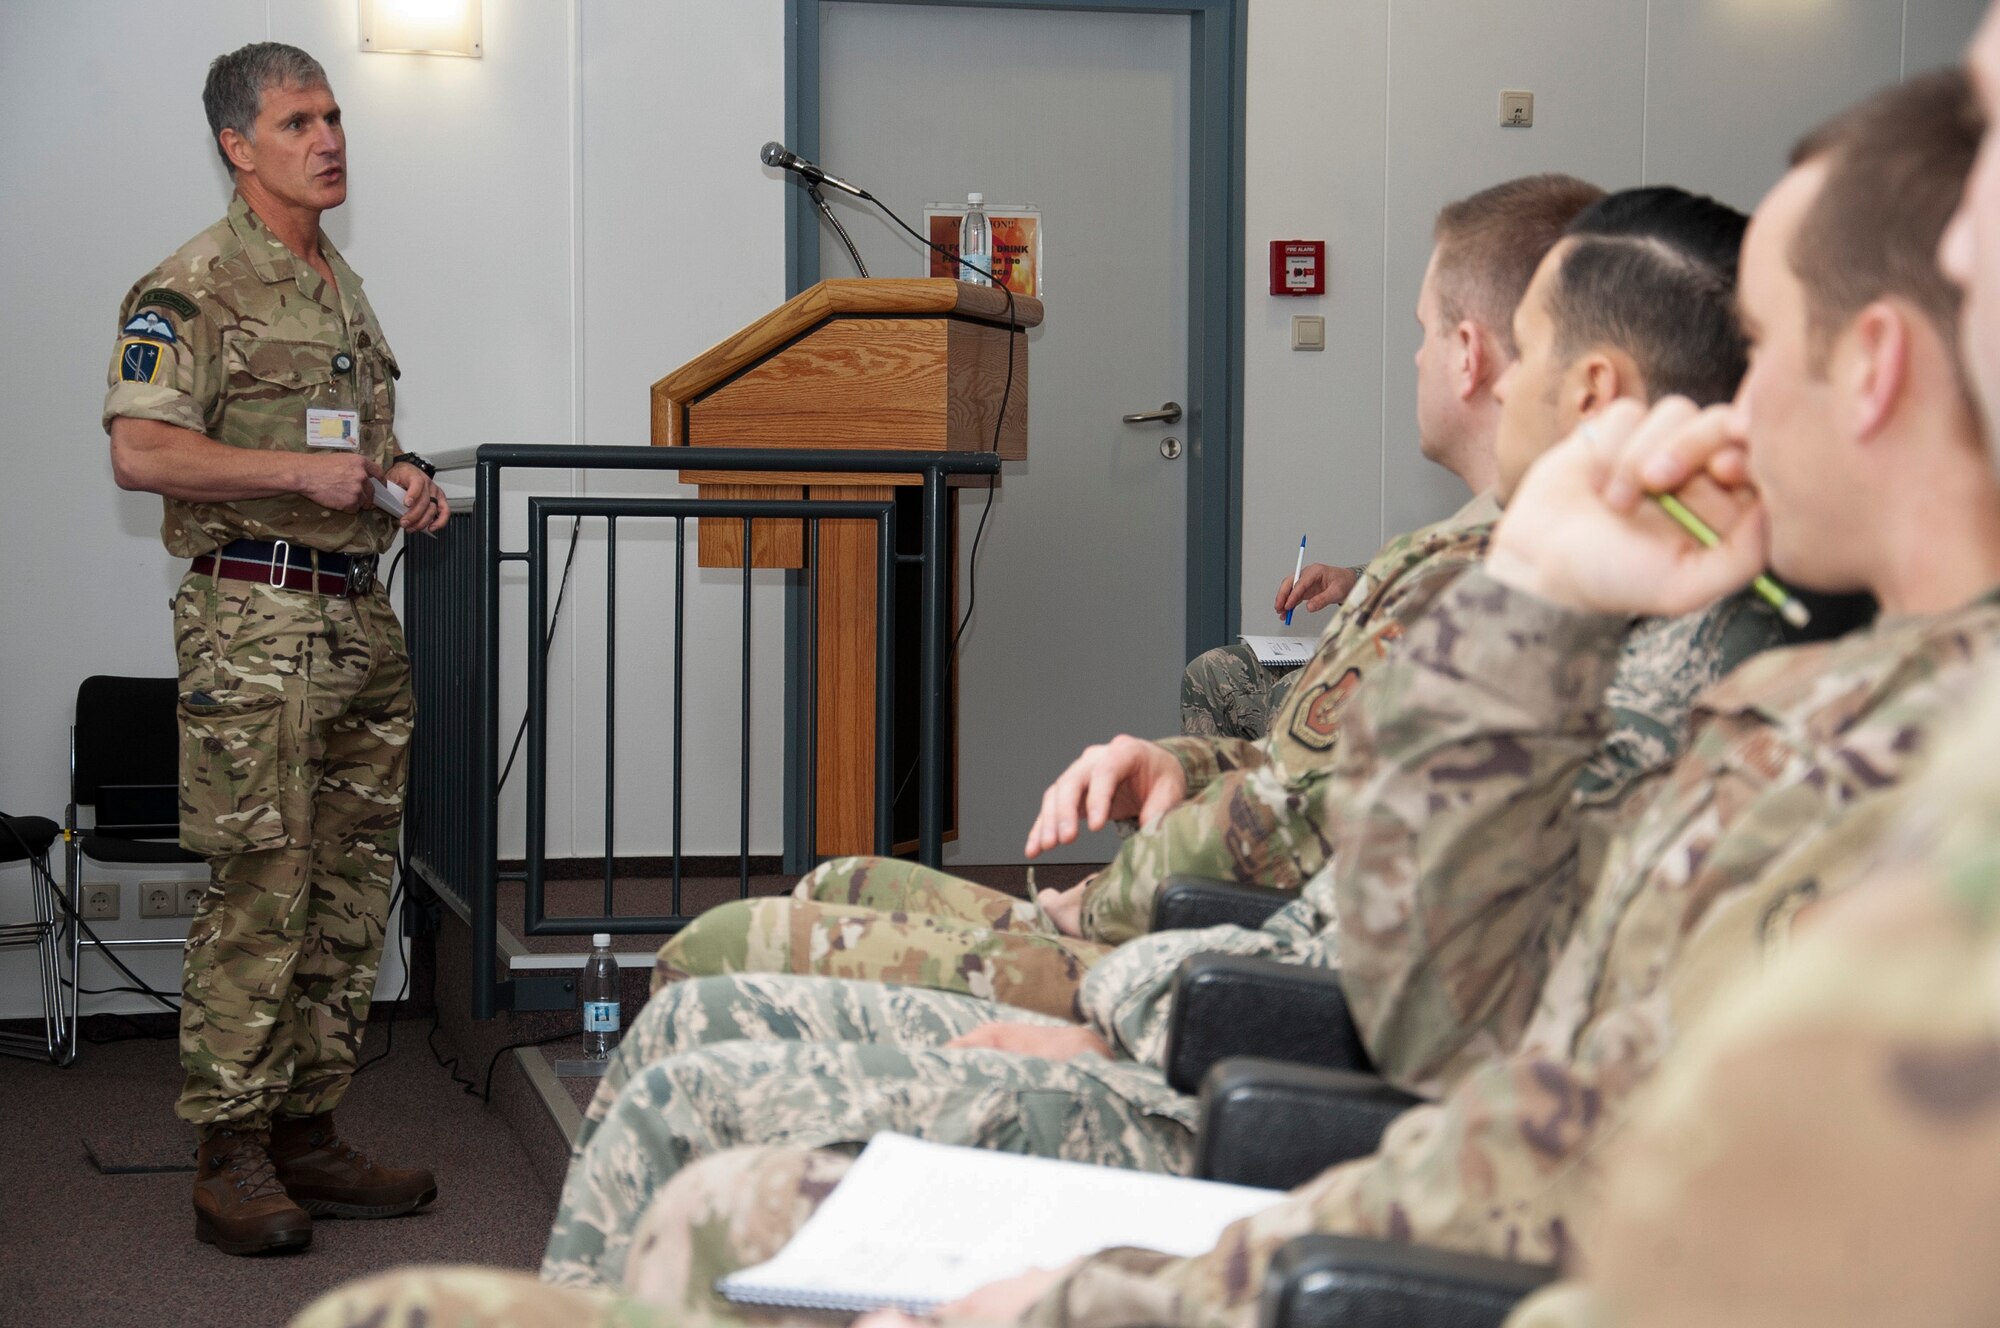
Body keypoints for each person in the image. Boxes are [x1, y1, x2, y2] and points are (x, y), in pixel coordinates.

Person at [506, 181, 1779, 1293]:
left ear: (1589, 386)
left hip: (1266, 1092)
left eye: (1526, 352)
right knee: (725, 1015)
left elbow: (1393, 976)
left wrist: (1117, 1003)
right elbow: (1367, 898)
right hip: (1225, 1018)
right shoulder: (1580, 611)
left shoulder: (1598, 636)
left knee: (689, 1070)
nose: (1474, 374)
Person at [650, 180, 1773, 1028]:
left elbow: (1355, 903)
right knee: (835, 879)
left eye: (1433, 333)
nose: (1426, 358)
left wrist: (1093, 943)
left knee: (719, 952)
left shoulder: (1540, 593)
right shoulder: (1519, 566)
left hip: (1217, 980)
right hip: (1209, 954)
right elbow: (1330, 792)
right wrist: (1179, 764)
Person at [104, 42, 449, 1256]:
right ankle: (228, 1149)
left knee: (349, 892)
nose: (329, 137)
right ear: (237, 147)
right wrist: (299, 471)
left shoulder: (339, 288)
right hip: (255, 623)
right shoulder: (190, 286)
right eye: (299, 120)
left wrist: (400, 478)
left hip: (356, 616)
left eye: (335, 114)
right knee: (263, 887)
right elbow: (142, 452)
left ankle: (307, 1128)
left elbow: (363, 447)